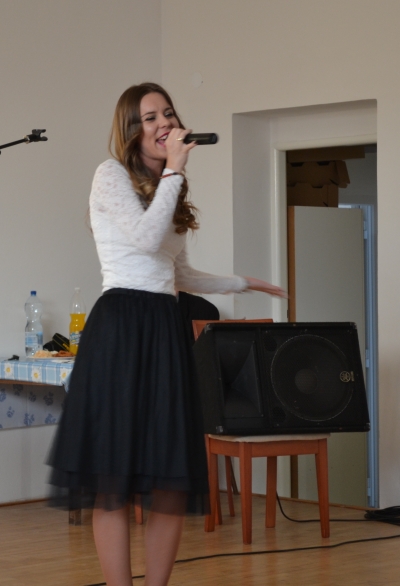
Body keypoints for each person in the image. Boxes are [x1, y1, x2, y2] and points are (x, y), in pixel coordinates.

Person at [47, 82, 286, 586]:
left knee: (171, 480)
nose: (164, 124)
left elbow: (177, 273)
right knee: (114, 479)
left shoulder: (168, 186)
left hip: (162, 326)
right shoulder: (110, 175)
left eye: (168, 114)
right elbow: (144, 238)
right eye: (150, 117)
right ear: (131, 131)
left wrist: (242, 282)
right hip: (120, 325)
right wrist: (175, 170)